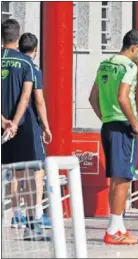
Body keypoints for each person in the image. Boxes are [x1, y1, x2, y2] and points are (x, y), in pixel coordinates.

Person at [88, 29, 138, 245]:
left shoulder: (105, 64)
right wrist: (135, 124)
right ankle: (113, 229)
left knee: (116, 177)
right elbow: (123, 97)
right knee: (123, 178)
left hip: (108, 125)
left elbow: (92, 97)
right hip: (124, 126)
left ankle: (119, 226)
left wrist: (105, 117)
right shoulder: (129, 66)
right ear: (133, 48)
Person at [1, 19, 47, 240]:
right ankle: (32, 225)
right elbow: (27, 96)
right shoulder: (27, 64)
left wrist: (2, 121)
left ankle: (9, 218)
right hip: (21, 129)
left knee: (8, 174)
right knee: (27, 173)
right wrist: (14, 123)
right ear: (17, 38)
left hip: (2, 126)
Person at [18, 32, 53, 228]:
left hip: (9, 124)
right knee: (37, 169)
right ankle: (36, 213)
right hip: (30, 124)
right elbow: (38, 100)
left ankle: (19, 213)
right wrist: (46, 126)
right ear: (36, 50)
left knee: (17, 170)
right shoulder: (32, 68)